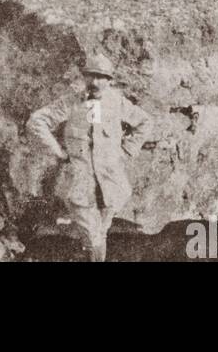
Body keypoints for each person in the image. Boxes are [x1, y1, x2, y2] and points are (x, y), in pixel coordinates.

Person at [25, 54, 152, 262]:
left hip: (110, 183)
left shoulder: (117, 103)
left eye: (101, 77)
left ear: (110, 81)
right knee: (94, 237)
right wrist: (58, 152)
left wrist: (127, 150)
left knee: (100, 232)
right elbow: (36, 121)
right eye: (90, 76)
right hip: (81, 183)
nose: (94, 82)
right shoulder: (71, 102)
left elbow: (145, 122)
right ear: (84, 78)